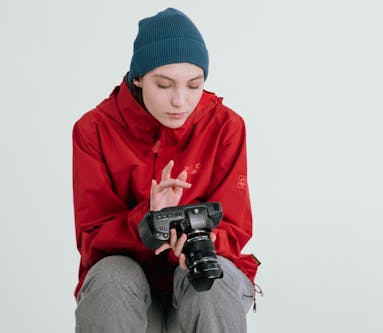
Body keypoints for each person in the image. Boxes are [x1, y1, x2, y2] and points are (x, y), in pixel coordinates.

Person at [72, 7, 259, 332]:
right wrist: (150, 218)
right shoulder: (94, 130)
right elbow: (92, 239)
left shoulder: (226, 127)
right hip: (128, 289)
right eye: (164, 85)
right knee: (112, 279)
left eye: (193, 85)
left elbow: (235, 228)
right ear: (139, 77)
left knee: (211, 281)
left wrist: (195, 238)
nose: (180, 101)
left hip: (200, 285)